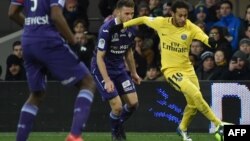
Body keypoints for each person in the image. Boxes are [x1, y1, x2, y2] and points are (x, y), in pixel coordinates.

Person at [109, 1, 227, 141]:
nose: (183, 19)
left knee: (193, 104)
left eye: (186, 15)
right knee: (195, 93)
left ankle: (182, 128)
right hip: (171, 71)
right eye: (180, 16)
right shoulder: (161, 22)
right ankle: (218, 124)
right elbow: (143, 19)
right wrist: (122, 25)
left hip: (188, 69)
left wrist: (212, 41)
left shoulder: (190, 27)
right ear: (172, 14)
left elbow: (205, 38)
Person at [8, 0, 95, 141]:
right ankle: (75, 135)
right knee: (87, 82)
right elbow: (56, 15)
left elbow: (12, 12)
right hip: (47, 40)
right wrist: (73, 42)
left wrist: (32, 28)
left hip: (28, 41)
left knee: (36, 94)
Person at [91, 0, 141, 141]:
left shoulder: (132, 28)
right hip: (102, 69)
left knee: (133, 103)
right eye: (126, 13)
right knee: (117, 107)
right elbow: (100, 57)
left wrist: (133, 72)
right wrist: (107, 80)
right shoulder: (107, 29)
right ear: (118, 12)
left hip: (119, 68)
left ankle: (117, 124)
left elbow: (129, 52)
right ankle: (116, 135)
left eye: (132, 13)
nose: (130, 17)